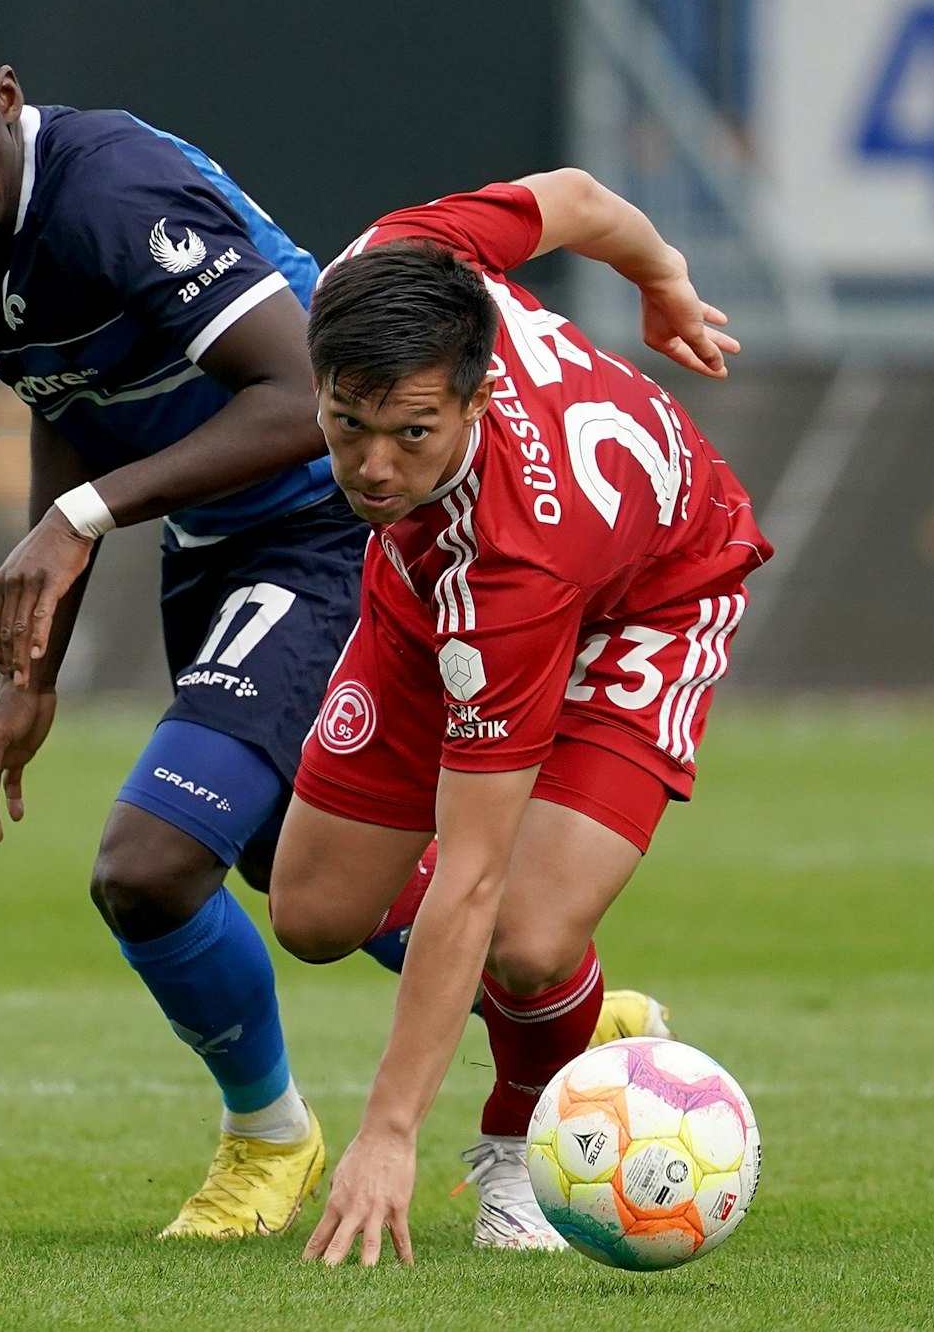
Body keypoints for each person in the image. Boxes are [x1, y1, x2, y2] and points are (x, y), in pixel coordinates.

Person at [0, 0, 672, 1240]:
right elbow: (69, 396)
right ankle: (552, 1004)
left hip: (334, 516)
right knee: (296, 867)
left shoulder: (111, 192)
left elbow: (294, 393)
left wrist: (80, 522)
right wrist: (34, 676)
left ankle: (268, 1140)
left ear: (4, 100)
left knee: (150, 863)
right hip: (225, 538)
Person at [266, 171, 770, 1264]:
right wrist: (660, 276)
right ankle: (581, 1017)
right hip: (430, 589)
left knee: (526, 936)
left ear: (477, 397)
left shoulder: (513, 570)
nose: (368, 465)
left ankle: (515, 1141)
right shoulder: (386, 261)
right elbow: (578, 198)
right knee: (308, 913)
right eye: (344, 423)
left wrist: (387, 1130)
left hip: (650, 595)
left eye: (409, 432)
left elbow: (472, 875)